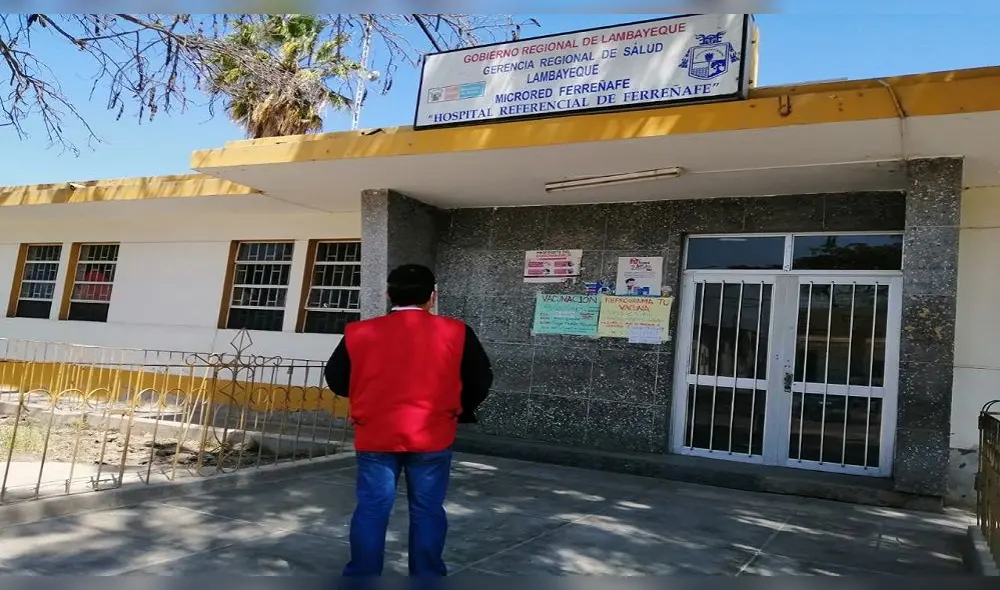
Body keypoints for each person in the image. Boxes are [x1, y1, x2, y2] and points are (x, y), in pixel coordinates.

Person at [324, 264, 493, 578]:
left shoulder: (359, 331)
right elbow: (480, 379)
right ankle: (427, 576)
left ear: (389, 295)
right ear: (432, 297)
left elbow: (335, 378)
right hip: (432, 435)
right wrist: (457, 408)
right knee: (428, 510)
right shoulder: (457, 331)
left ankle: (362, 576)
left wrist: (368, 398)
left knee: (372, 509)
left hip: (375, 433)